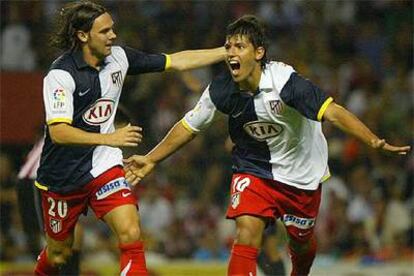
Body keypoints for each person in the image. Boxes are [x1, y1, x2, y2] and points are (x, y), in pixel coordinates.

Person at [124, 15, 411, 276]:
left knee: (301, 244)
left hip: (301, 173)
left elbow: (333, 112)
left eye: (239, 47)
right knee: (246, 232)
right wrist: (152, 158)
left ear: (258, 52)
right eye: (228, 47)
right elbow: (189, 127)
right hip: (254, 169)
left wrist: (372, 139)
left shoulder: (286, 82)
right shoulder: (221, 89)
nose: (231, 53)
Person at [34, 1, 225, 275]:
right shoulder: (60, 75)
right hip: (61, 178)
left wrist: (224, 51)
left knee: (131, 233)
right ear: (82, 35)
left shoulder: (119, 58)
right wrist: (109, 139)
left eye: (112, 29)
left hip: (104, 167)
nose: (113, 36)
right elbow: (58, 132)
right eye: (105, 31)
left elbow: (175, 60)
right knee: (59, 255)